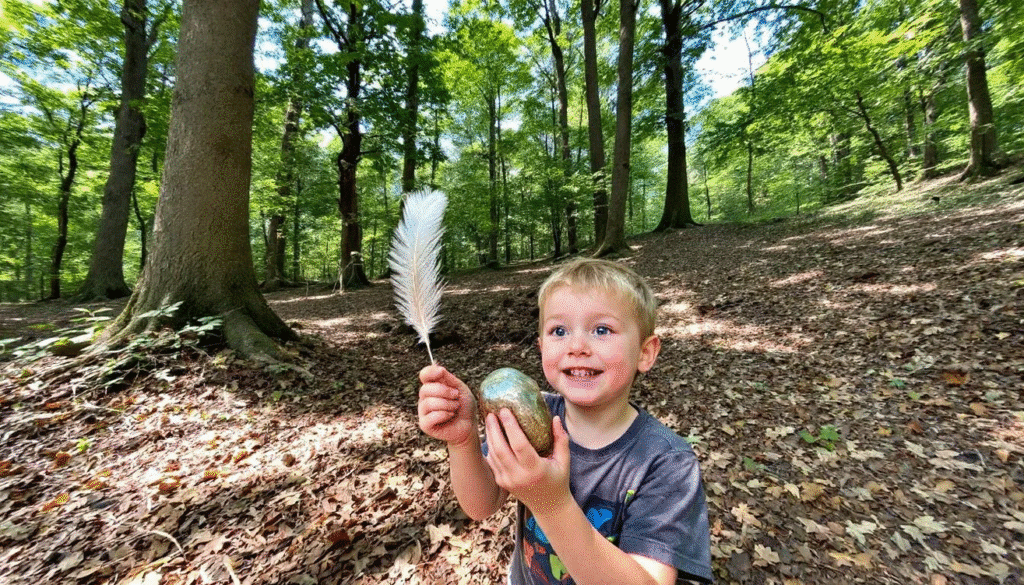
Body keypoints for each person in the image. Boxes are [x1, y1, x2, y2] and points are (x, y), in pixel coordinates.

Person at [417, 258, 713, 584]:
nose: (576, 347)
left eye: (602, 330)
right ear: (542, 347)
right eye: (559, 331)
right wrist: (462, 443)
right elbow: (482, 504)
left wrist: (551, 504)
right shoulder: (534, 416)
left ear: (645, 352)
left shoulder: (667, 463)